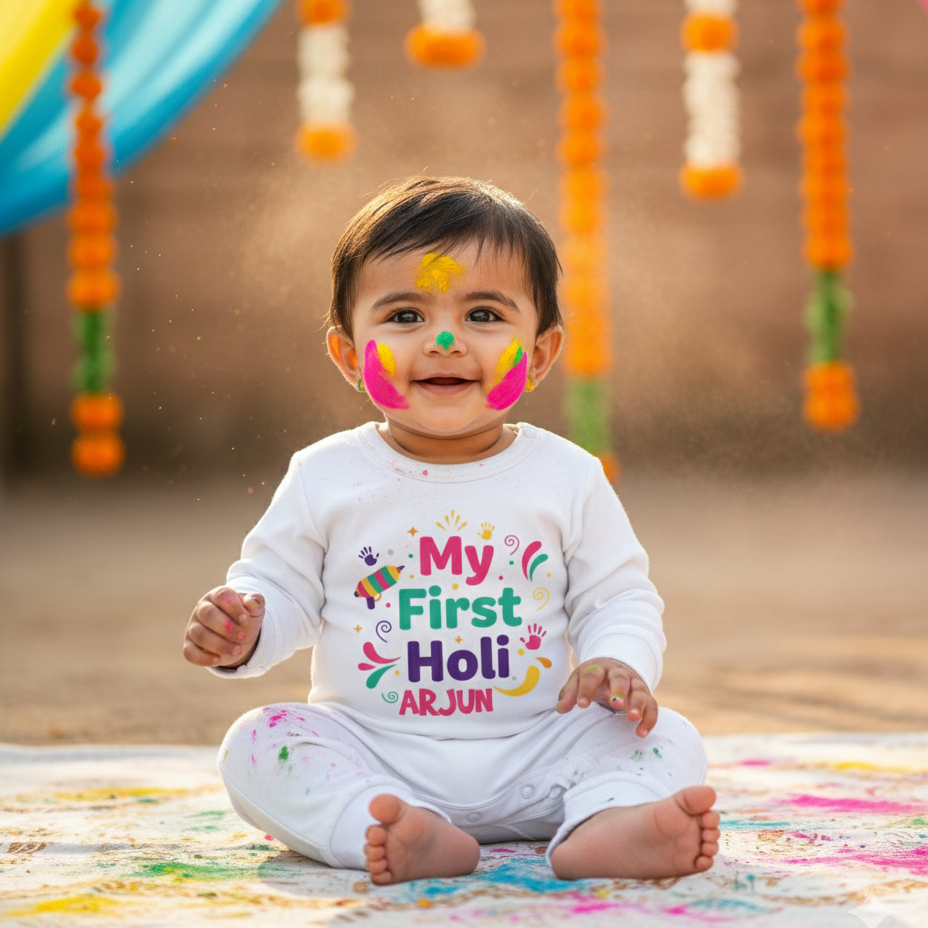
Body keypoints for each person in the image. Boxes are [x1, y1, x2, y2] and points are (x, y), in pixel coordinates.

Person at [182, 176, 720, 884]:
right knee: (258, 746)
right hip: (379, 754)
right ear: (349, 355)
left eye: (485, 315)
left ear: (540, 353)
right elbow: (281, 589)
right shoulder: (325, 474)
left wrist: (618, 662)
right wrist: (245, 627)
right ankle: (387, 831)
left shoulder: (568, 474)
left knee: (666, 736)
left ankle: (605, 826)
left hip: (539, 752)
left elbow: (617, 598)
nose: (442, 341)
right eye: (404, 315)